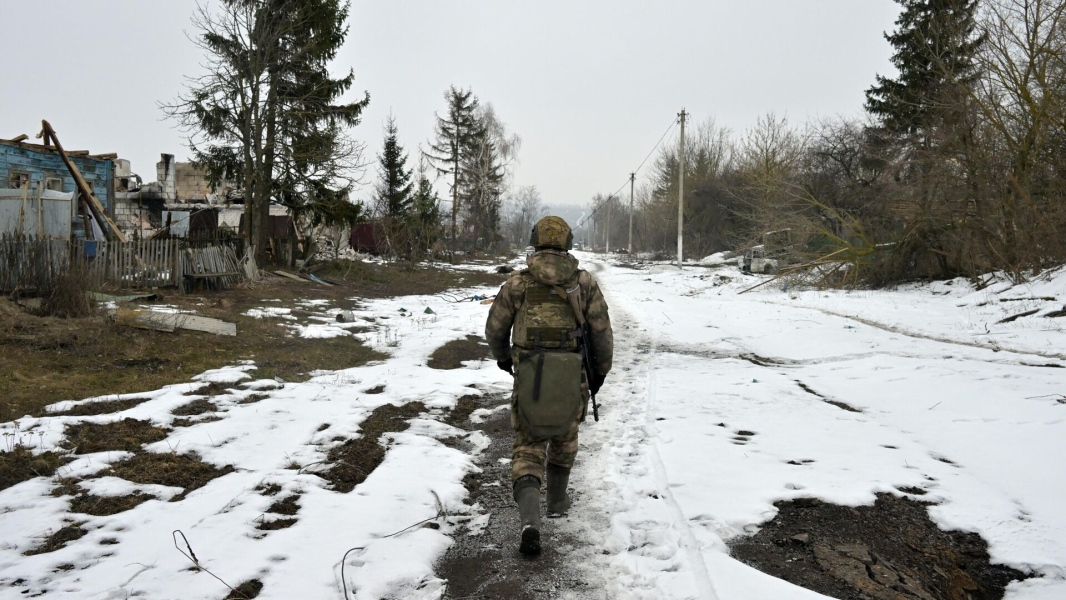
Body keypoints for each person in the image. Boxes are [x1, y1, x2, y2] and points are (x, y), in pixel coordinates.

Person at [485, 216, 613, 555]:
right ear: (568, 243)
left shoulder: (516, 284)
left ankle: (530, 520)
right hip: (572, 376)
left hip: (530, 376)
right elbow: (601, 332)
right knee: (565, 439)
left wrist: (503, 359)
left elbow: (495, 329)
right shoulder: (583, 284)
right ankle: (557, 502)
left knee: (527, 447)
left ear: (534, 241)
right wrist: (599, 373)